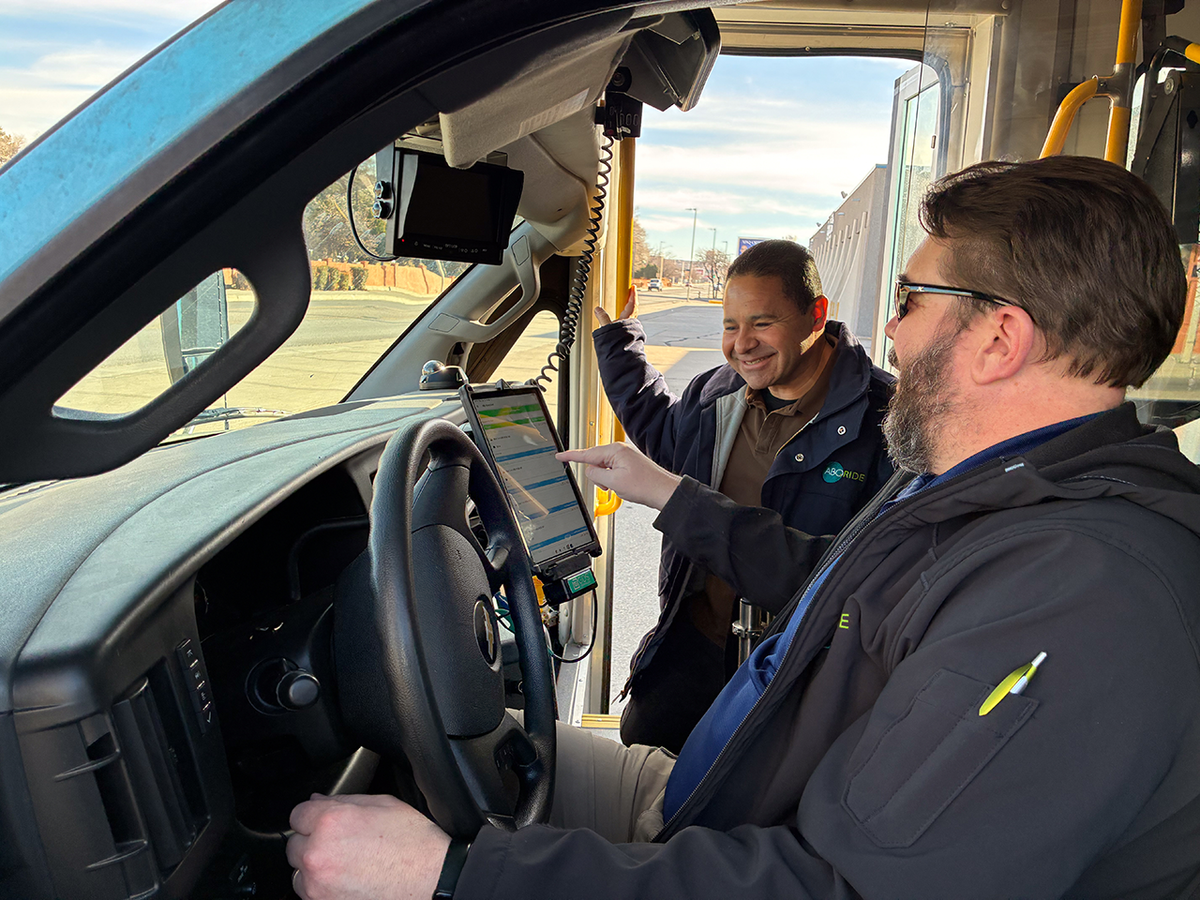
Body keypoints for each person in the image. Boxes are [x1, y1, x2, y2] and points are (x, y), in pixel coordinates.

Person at [287, 156, 1200, 899]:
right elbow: (817, 577)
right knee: (452, 752)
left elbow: (843, 888)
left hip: (742, 841)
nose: (890, 330)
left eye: (912, 300)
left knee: (428, 790)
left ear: (1000, 339)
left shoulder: (1084, 594)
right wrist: (666, 487)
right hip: (716, 800)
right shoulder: (975, 487)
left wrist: (453, 877)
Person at [595, 239, 894, 751]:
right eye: (730, 326)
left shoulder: (887, 422)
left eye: (762, 322)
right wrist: (621, 350)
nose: (742, 344)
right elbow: (669, 438)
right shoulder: (717, 390)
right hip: (691, 646)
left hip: (793, 679)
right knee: (642, 777)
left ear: (816, 315)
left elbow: (852, 582)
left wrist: (672, 497)